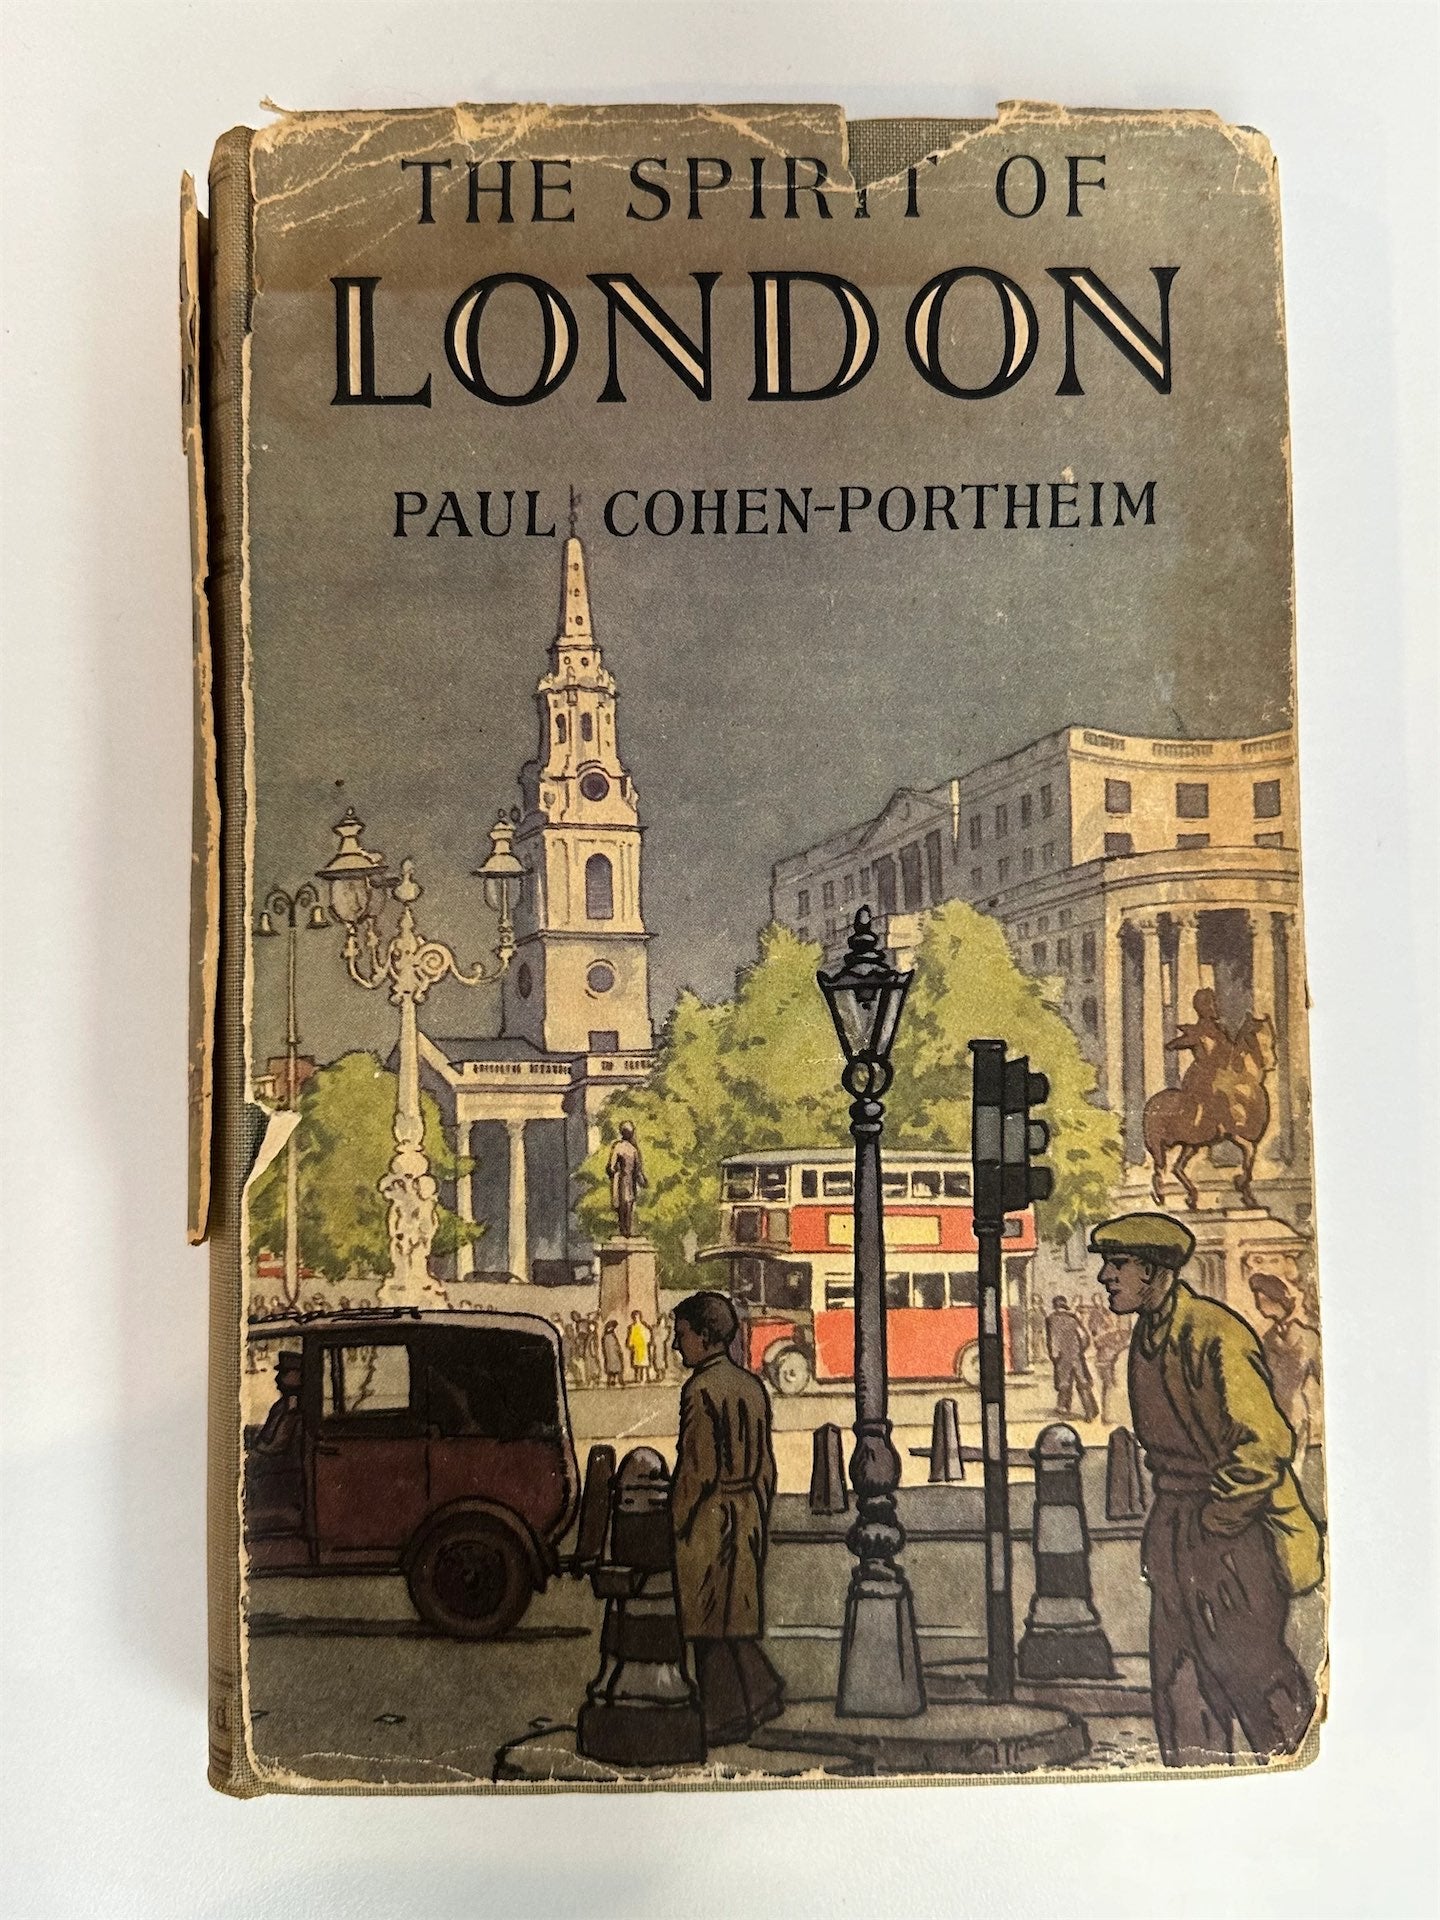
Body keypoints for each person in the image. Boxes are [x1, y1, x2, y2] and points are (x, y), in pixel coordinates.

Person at [1091, 1213, 1324, 1767]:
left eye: (1117, 1265)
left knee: (1254, 1678)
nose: (1105, 1277)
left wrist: (1217, 1521)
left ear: (1153, 1272)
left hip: (1231, 1535)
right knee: (1181, 1685)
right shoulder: (1147, 1334)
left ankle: (1306, 1775)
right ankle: (1192, 1786)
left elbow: (1265, 1443)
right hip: (1176, 1524)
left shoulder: (1213, 1332)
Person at [668, 1290, 784, 1745]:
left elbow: (696, 1469)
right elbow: (767, 1467)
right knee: (736, 1614)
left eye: (681, 1335)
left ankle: (724, 1718)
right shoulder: (751, 1386)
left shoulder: (699, 1390)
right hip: (747, 1508)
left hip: (711, 1515)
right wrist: (758, 1509)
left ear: (704, 1336)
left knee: (707, 1620)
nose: (676, 1344)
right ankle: (763, 1693)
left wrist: (677, 1519)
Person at [1248, 1271, 1324, 1478]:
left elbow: (1323, 1381)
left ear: (1277, 1300)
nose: (1259, 1304)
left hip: (1296, 1413)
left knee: (1294, 1469)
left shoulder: (1308, 1338)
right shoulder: (1267, 1340)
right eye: (1257, 1299)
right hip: (1272, 1414)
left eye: (1263, 1299)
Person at [1045, 1294, 1100, 1421]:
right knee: (1083, 1383)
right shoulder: (1073, 1318)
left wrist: (1054, 1356)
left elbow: (1053, 1339)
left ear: (1055, 1306)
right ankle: (1090, 1412)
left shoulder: (1051, 1319)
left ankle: (1064, 1408)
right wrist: (1080, 1350)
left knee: (1065, 1383)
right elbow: (1084, 1336)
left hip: (1062, 1357)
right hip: (1076, 1355)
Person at [607, 1121, 647, 1238]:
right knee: (628, 1205)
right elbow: (638, 1170)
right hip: (630, 1182)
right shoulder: (633, 1150)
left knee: (621, 1207)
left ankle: (623, 1230)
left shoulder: (617, 1147)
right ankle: (627, 1231)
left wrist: (613, 1172)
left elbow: (611, 1167)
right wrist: (643, 1182)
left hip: (620, 1181)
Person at [625, 1309, 652, 1385]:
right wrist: (630, 1344)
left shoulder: (644, 1326)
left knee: (643, 1363)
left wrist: (646, 1341)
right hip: (636, 1347)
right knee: (637, 1363)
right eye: (635, 1317)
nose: (636, 1318)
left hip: (643, 1347)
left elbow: (648, 1335)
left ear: (640, 1317)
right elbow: (631, 1336)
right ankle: (637, 1378)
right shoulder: (632, 1327)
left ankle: (644, 1379)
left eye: (637, 1316)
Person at [601, 1318, 624, 1388]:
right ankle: (619, 1381)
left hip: (610, 1355)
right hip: (614, 1355)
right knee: (618, 1368)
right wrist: (619, 1352)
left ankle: (611, 1381)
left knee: (611, 1369)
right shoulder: (610, 1336)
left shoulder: (605, 1336)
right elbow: (615, 1346)